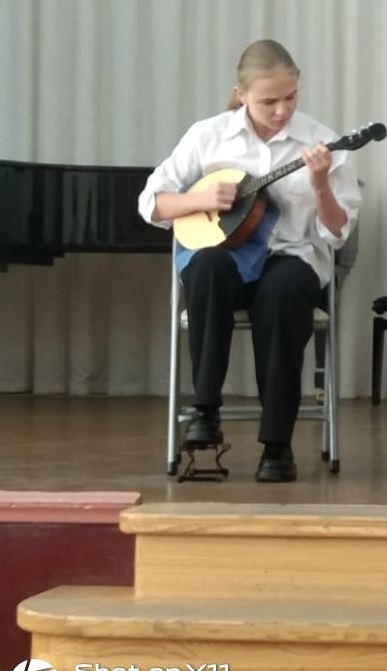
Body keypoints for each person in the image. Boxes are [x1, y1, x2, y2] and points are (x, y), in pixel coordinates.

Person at [138, 39, 362, 483]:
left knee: (282, 293)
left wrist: (320, 184)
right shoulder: (207, 136)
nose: (282, 110)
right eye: (269, 101)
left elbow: (337, 232)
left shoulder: (322, 142)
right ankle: (205, 411)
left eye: (291, 97)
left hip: (290, 257)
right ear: (241, 94)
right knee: (206, 266)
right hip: (227, 258)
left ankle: (277, 445)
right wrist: (198, 199)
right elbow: (151, 204)